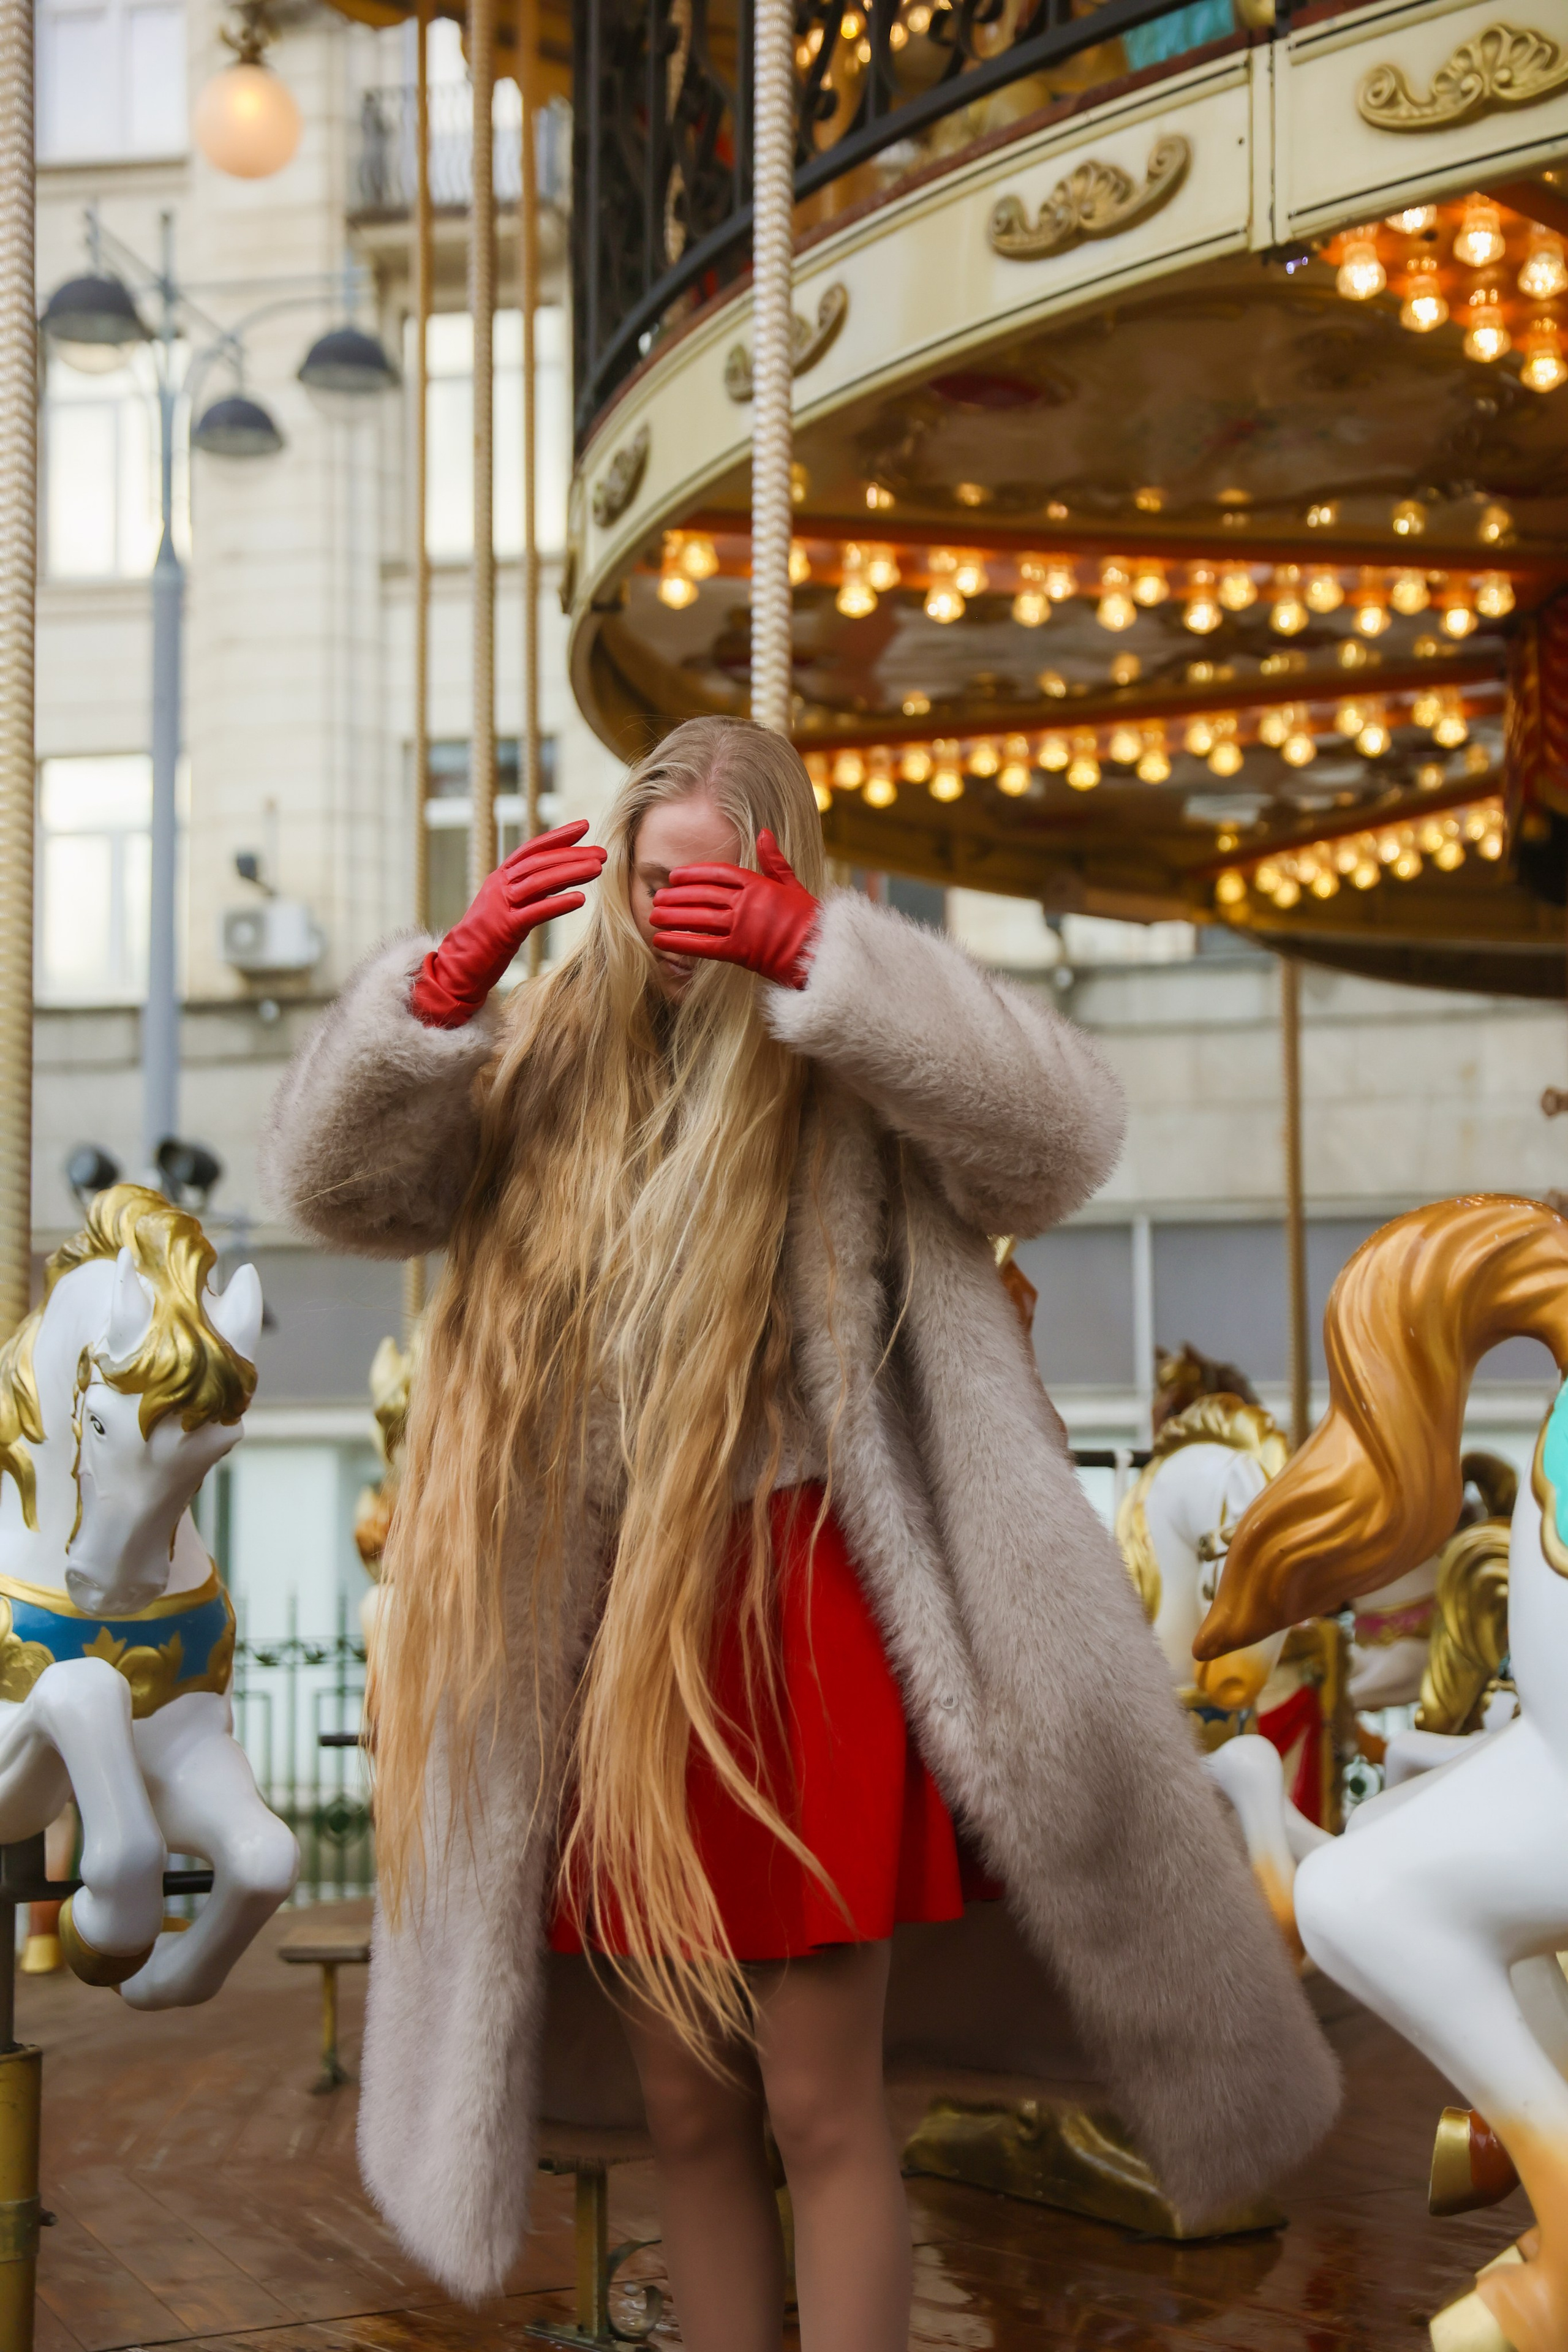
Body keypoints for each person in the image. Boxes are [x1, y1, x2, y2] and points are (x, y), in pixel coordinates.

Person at [264, 715, 1336, 2348]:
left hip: (810, 1616)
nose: (678, 918)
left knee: (824, 2111)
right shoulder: (552, 1057)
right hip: (612, 1647)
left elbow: (1062, 1136)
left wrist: (824, 961)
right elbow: (350, 1194)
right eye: (654, 883)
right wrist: (445, 987)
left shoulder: (848, 1064)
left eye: (719, 885)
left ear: (778, 874)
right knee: (690, 2117)